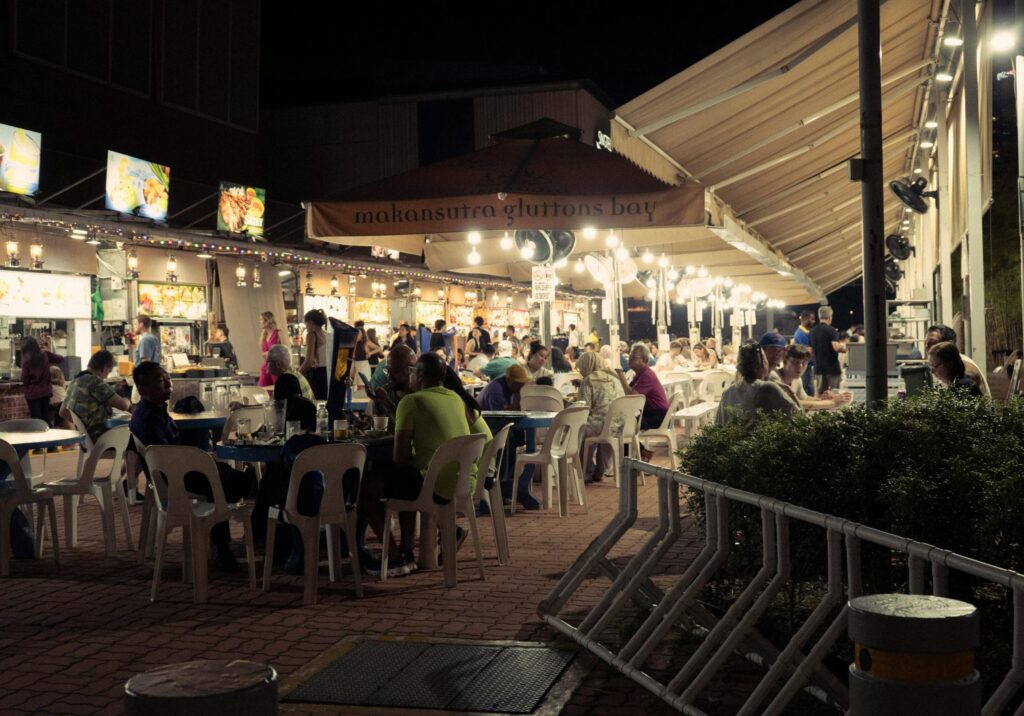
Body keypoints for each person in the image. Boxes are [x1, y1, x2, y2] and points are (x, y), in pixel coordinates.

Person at [359, 352, 489, 575]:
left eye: (411, 371)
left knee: (364, 488)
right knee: (404, 480)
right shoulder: (455, 398)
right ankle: (406, 551)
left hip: (434, 484)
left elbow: (399, 457)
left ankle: (393, 556)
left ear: (419, 375)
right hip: (464, 481)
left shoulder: (411, 401)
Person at [131, 362, 255, 572]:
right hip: (174, 477)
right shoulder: (149, 418)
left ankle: (226, 542)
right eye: (161, 382)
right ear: (143, 390)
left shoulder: (156, 411)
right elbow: (169, 456)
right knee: (226, 484)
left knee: (228, 481)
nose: (168, 385)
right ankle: (225, 547)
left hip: (176, 472)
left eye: (168, 379)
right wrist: (208, 465)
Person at [715, 343, 799, 427]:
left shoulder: (728, 393)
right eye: (765, 358)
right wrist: (791, 392)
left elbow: (718, 426)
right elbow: (799, 417)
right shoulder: (767, 388)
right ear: (761, 364)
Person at [60, 350, 131, 439]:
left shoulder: (74, 382)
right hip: (100, 434)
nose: (105, 377)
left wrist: (81, 425)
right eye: (107, 372)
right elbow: (123, 406)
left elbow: (62, 412)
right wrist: (127, 400)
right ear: (104, 368)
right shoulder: (95, 382)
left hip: (84, 436)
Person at [576, 351, 625, 482]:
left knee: (578, 427)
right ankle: (601, 470)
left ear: (588, 365)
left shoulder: (588, 381)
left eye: (581, 368)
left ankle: (583, 470)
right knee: (605, 427)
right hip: (620, 425)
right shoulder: (615, 378)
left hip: (599, 426)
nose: (580, 372)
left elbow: (584, 407)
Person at [615, 343, 670, 442]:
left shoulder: (646, 375)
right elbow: (628, 391)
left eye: (634, 357)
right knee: (620, 422)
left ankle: (636, 453)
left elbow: (632, 397)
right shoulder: (640, 373)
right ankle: (640, 452)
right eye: (630, 356)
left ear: (644, 360)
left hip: (657, 416)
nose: (630, 359)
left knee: (620, 425)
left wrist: (620, 374)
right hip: (650, 413)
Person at [778, 344, 852, 411]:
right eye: (795, 362)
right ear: (784, 361)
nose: (800, 366)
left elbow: (804, 399)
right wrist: (833, 402)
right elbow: (793, 403)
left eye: (804, 362)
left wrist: (822, 400)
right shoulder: (775, 376)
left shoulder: (796, 379)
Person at [925, 324, 990, 396]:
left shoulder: (965, 369)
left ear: (950, 344)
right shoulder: (949, 367)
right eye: (926, 343)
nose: (927, 347)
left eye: (932, 343)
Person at [20, 336, 65, 423]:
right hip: (45, 392)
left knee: (36, 420)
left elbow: (25, 379)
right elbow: (61, 359)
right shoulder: (45, 354)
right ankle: (48, 434)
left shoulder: (27, 361)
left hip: (32, 394)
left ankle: (39, 435)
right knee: (45, 418)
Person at [370, 344, 416, 417]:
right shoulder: (384, 393)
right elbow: (378, 424)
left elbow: (408, 425)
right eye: (387, 370)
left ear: (411, 370)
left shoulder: (421, 397)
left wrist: (387, 403)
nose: (389, 375)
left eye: (395, 371)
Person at [809, 306, 845, 395]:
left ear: (819, 317)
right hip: (832, 368)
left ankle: (822, 408)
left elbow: (810, 350)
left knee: (821, 395)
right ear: (830, 317)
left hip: (818, 368)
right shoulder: (832, 330)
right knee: (834, 393)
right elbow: (836, 347)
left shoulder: (812, 331)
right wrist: (843, 348)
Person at [299, 309, 329, 400]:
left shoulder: (311, 335)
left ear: (311, 322)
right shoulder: (327, 334)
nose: (306, 327)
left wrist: (297, 374)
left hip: (318, 375)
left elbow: (309, 362)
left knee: (315, 404)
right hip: (328, 374)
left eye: (306, 324)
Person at [792, 310, 815, 397]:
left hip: (807, 366)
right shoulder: (801, 334)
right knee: (805, 390)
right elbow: (807, 351)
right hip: (804, 366)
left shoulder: (805, 332)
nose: (813, 321)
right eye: (811, 319)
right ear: (805, 319)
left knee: (809, 389)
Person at [258, 311, 282, 387]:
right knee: (262, 390)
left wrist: (268, 353)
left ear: (267, 321)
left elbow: (282, 350)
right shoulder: (264, 335)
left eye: (261, 320)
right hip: (266, 366)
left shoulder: (277, 333)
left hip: (275, 366)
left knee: (279, 389)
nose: (260, 322)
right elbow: (263, 351)